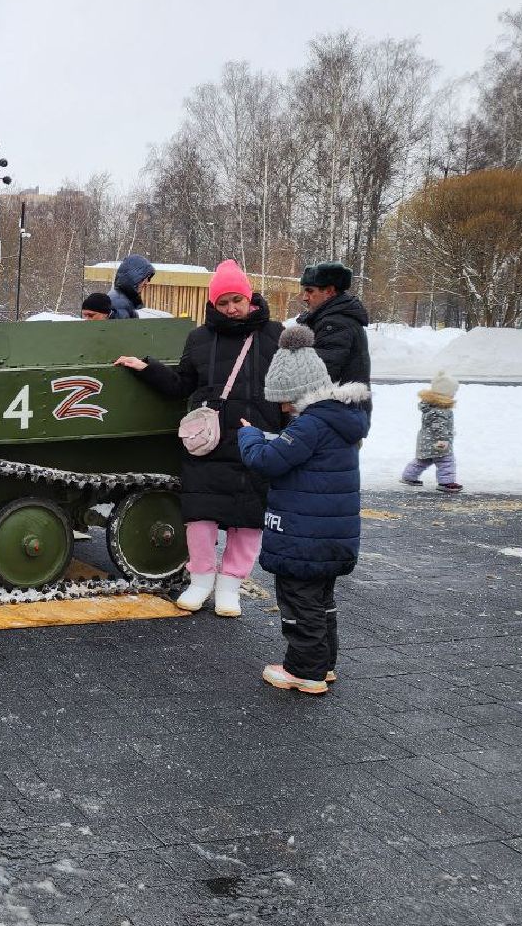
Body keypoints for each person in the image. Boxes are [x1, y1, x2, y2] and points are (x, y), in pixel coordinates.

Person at [113, 260, 284, 616]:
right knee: (200, 518)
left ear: (249, 297)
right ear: (213, 304)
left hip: (257, 441)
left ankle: (231, 587)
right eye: (222, 302)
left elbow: (291, 386)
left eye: (236, 299)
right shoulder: (201, 338)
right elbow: (181, 384)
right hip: (209, 442)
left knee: (248, 521)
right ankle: (201, 581)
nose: (230, 308)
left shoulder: (274, 335)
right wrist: (148, 368)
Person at [237, 324, 371, 695]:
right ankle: (323, 663)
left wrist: (248, 435)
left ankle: (304, 670)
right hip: (329, 536)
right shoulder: (338, 421)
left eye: (283, 400)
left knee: (298, 603)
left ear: (299, 393)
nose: (280, 408)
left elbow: (266, 461)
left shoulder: (310, 425)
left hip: (304, 538)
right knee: (321, 601)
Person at [296, 262, 370, 407]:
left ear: (329, 291)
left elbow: (321, 372)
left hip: (337, 413)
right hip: (340, 411)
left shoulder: (335, 323)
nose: (305, 297)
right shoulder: (331, 318)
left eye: (310, 291)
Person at [400, 371, 463, 493]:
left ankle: (409, 476)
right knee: (446, 460)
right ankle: (446, 482)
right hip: (438, 442)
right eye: (452, 392)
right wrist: (443, 439)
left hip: (427, 441)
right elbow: (438, 427)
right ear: (445, 393)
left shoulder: (433, 407)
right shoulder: (439, 410)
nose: (454, 395)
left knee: (423, 460)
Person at [106, 254, 154, 319]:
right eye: (146, 278)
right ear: (135, 277)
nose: (147, 283)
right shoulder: (120, 304)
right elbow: (122, 328)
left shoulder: (124, 298)